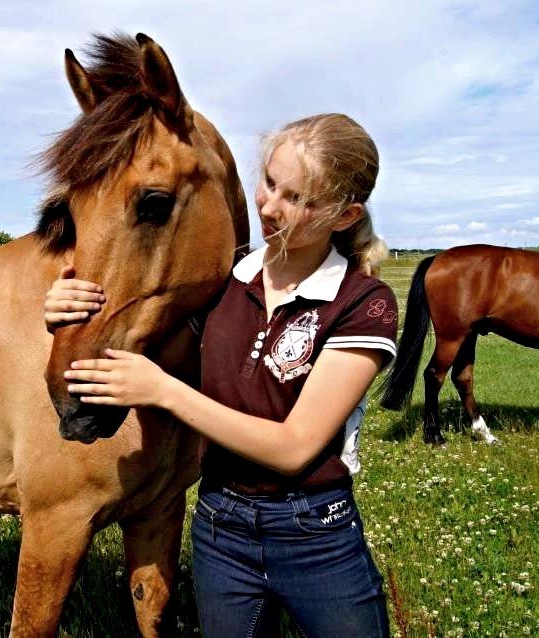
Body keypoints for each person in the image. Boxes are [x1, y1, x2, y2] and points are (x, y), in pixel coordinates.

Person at [45, 113, 396, 637]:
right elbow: (141, 324)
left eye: (296, 199)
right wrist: (67, 309)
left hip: (314, 532)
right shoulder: (224, 286)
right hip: (220, 526)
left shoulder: (363, 305)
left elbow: (295, 447)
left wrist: (164, 392)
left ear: (345, 216)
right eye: (270, 183)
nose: (269, 207)